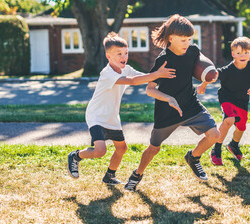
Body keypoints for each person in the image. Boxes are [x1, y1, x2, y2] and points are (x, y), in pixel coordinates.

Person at [124, 14, 220, 191]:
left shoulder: (192, 51)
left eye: (189, 39)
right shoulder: (163, 59)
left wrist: (206, 82)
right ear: (170, 38)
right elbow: (149, 89)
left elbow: (204, 68)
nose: (187, 43)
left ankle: (193, 157)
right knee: (153, 149)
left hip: (190, 105)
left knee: (215, 134)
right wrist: (168, 98)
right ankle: (137, 174)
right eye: (183, 40)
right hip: (167, 110)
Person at [67, 32, 176, 184]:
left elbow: (144, 77)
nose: (123, 56)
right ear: (108, 56)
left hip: (112, 117)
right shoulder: (107, 73)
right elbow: (132, 81)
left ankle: (109, 176)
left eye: (125, 53)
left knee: (121, 148)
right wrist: (156, 74)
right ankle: (75, 156)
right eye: (118, 54)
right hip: (96, 116)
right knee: (100, 151)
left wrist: (161, 76)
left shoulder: (127, 68)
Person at [197, 36, 250, 165]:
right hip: (227, 97)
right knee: (229, 120)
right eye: (239, 53)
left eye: (246, 52)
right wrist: (203, 85)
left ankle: (233, 145)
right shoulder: (228, 70)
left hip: (242, 100)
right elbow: (212, 76)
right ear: (233, 54)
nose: (243, 55)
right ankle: (216, 150)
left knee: (241, 127)